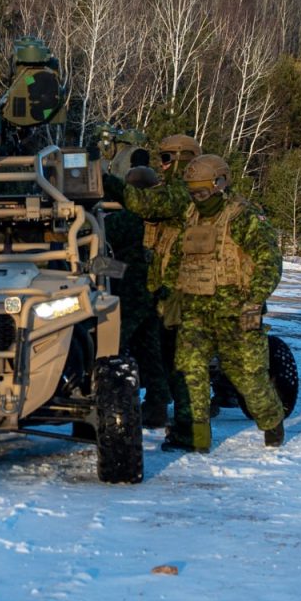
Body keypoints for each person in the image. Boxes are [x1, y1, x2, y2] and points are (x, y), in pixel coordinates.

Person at [161, 154, 285, 452]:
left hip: (237, 310)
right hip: (195, 311)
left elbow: (269, 262)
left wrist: (255, 300)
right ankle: (195, 437)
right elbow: (178, 258)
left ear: (220, 184)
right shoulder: (191, 216)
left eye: (203, 191)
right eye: (193, 192)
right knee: (190, 372)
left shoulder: (243, 217)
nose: (198, 197)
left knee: (247, 375)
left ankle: (271, 422)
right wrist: (170, 296)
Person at [121, 134, 201, 430]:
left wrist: (106, 182)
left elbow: (146, 205)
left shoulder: (184, 192)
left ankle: (188, 419)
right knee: (155, 346)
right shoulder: (170, 191)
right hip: (158, 282)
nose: (162, 165)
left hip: (179, 285)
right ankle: (158, 406)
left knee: (177, 354)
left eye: (166, 158)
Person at [103, 155, 171, 428]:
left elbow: (101, 243)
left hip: (130, 292)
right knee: (151, 349)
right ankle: (157, 406)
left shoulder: (123, 218)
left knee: (113, 347)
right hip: (157, 289)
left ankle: (114, 398)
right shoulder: (161, 218)